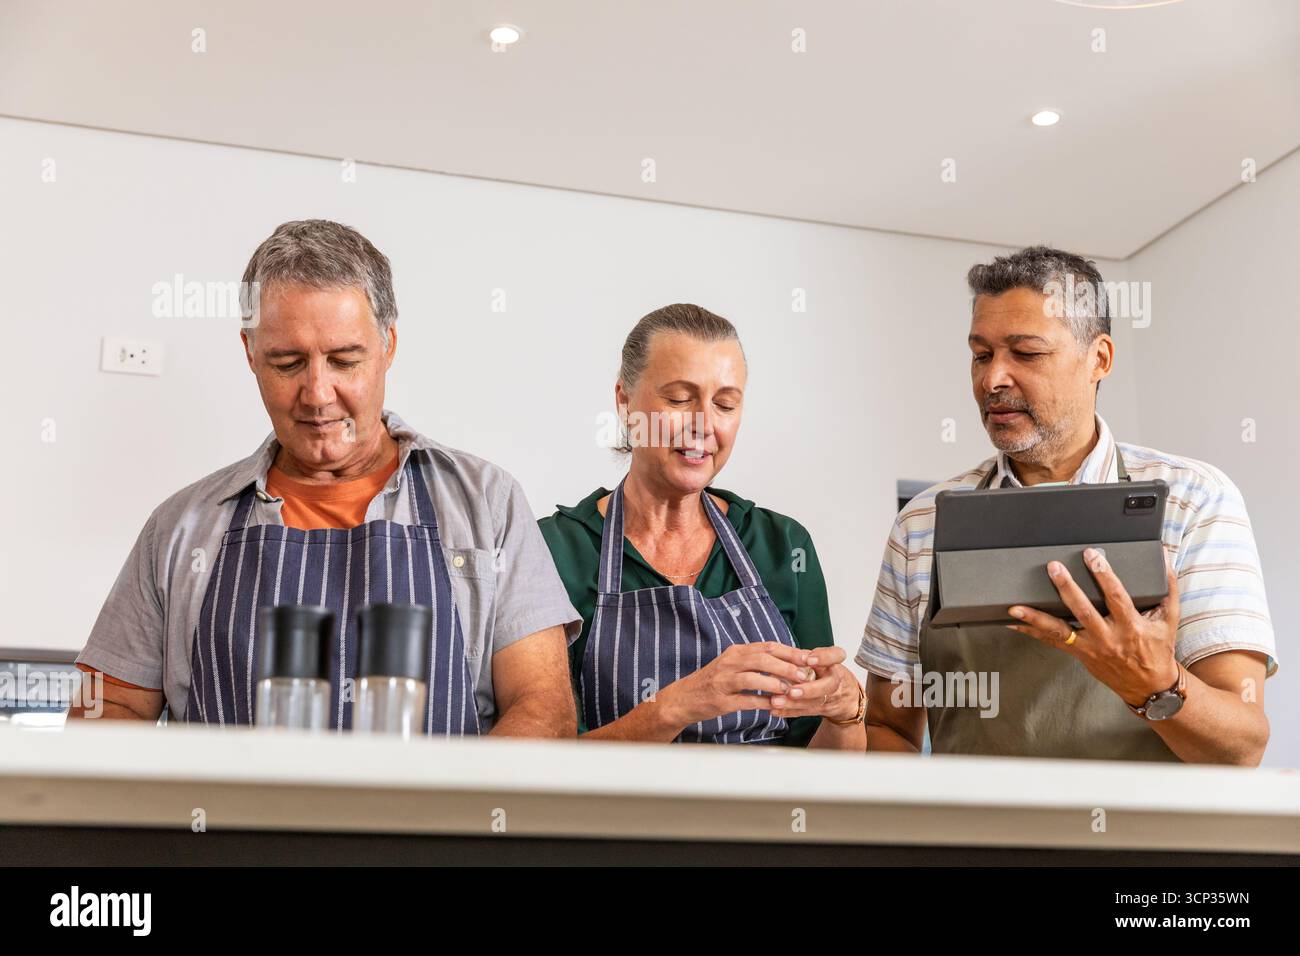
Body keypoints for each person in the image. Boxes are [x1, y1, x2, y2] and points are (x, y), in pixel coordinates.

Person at [71, 219, 580, 736]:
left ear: (388, 346)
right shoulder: (180, 528)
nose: (317, 394)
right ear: (250, 353)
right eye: (288, 363)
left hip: (439, 820)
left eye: (343, 360)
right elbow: (102, 711)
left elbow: (544, 709)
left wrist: (457, 815)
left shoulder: (487, 504)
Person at [858, 246, 1276, 763]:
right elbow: (889, 730)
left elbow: (1242, 746)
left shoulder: (1195, 502)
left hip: (1151, 843)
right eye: (981, 354)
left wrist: (1154, 684)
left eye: (1026, 354)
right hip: (972, 841)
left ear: (1099, 358)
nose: (993, 380)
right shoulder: (921, 522)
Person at [540, 304, 866, 747]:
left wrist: (846, 714)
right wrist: (682, 703)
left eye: (725, 404)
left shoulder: (781, 544)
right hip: (620, 817)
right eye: (678, 399)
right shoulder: (554, 551)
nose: (704, 425)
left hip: (765, 816)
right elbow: (547, 761)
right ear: (624, 401)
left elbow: (822, 776)